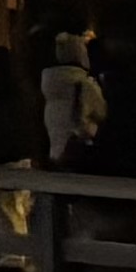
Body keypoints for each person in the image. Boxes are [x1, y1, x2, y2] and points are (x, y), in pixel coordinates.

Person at [34, 29, 106, 169]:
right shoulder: (83, 85)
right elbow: (101, 113)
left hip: (53, 156)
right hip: (76, 154)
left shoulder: (47, 84)